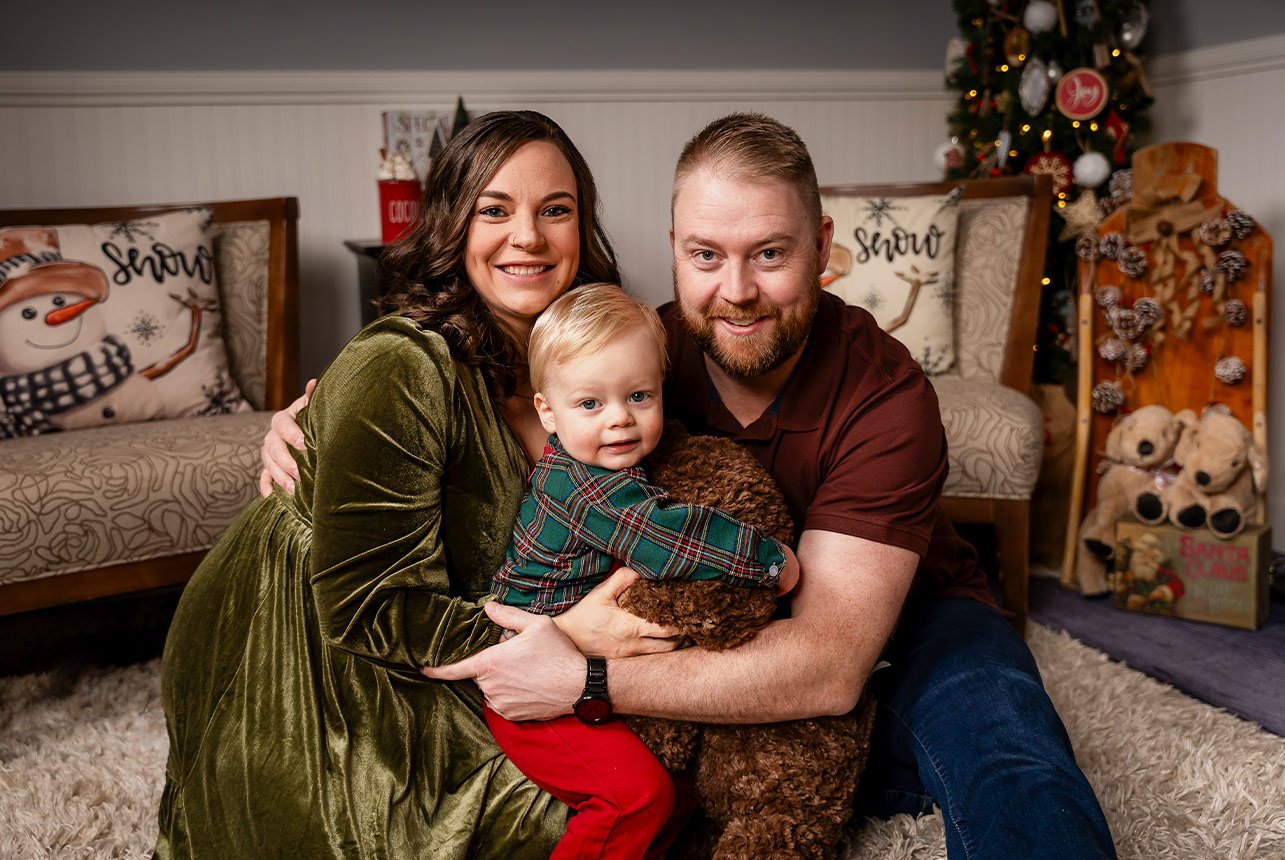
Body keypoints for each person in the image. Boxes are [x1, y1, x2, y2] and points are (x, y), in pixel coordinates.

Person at [263, 113, 1117, 857]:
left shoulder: (886, 394)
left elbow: (826, 663)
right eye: (704, 254)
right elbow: (492, 406)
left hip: (901, 617)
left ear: (822, 248)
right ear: (669, 246)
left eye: (770, 255)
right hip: (714, 636)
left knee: (1007, 753)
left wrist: (584, 680)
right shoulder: (638, 354)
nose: (735, 291)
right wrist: (316, 420)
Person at [155, 110, 678, 859]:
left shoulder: (597, 362)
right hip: (314, 652)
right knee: (560, 821)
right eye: (493, 210)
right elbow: (370, 606)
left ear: (582, 229)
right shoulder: (403, 366)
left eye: (553, 211)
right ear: (451, 227)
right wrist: (558, 642)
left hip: (449, 625)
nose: (526, 237)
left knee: (667, 788)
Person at [486, 283, 796, 859]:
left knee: (680, 788)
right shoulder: (590, 490)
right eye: (589, 404)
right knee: (636, 796)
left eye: (638, 396)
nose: (619, 420)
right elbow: (673, 538)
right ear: (546, 413)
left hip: (570, 656)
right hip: (528, 682)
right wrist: (771, 560)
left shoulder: (598, 463)